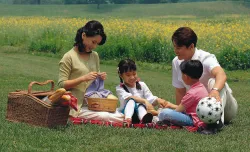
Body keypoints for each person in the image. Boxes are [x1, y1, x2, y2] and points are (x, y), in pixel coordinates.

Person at [169, 27, 238, 125]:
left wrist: (215, 90)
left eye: (179, 48)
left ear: (191, 46)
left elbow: (221, 74)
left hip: (226, 108)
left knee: (214, 82)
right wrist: (179, 115)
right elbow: (180, 90)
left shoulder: (206, 58)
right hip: (200, 110)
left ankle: (216, 123)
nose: (175, 51)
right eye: (174, 47)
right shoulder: (176, 62)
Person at [58, 20, 124, 122]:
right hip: (76, 102)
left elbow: (94, 82)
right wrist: (83, 78)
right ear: (84, 35)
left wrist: (99, 77)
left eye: (97, 43)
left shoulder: (95, 56)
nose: (94, 46)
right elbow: (62, 85)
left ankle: (128, 115)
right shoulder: (69, 57)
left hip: (93, 100)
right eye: (93, 42)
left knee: (113, 110)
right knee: (104, 116)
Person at [116, 59, 168, 126]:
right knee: (131, 101)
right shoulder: (120, 88)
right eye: (128, 75)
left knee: (141, 106)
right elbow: (130, 97)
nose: (132, 77)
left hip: (142, 112)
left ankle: (144, 120)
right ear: (121, 75)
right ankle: (128, 120)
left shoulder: (142, 85)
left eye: (134, 74)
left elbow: (150, 98)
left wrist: (158, 100)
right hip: (126, 113)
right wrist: (144, 101)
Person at [158, 60, 207, 128]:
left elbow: (178, 110)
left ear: (185, 76)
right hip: (199, 118)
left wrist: (168, 109)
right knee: (166, 111)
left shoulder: (192, 93)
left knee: (164, 113)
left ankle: (157, 117)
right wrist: (170, 105)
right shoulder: (201, 87)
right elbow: (183, 107)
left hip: (193, 120)